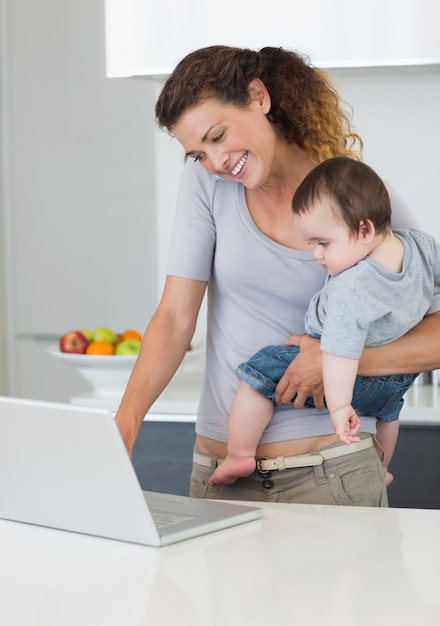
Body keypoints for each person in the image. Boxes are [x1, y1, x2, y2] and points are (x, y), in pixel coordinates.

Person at [115, 45, 440, 507]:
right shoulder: (207, 185)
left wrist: (337, 359)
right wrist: (126, 424)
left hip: (332, 472)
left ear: (258, 96)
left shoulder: (360, 201)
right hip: (217, 477)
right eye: (197, 153)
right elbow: (174, 318)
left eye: (218, 135)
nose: (216, 161)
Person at [210, 157, 440, 489]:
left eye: (323, 243)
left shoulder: (352, 287)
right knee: (389, 416)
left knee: (257, 374)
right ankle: (383, 467)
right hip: (398, 379)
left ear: (364, 230)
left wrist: (340, 406)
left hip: (350, 373)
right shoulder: (421, 246)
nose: (316, 255)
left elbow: (338, 352)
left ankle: (239, 454)